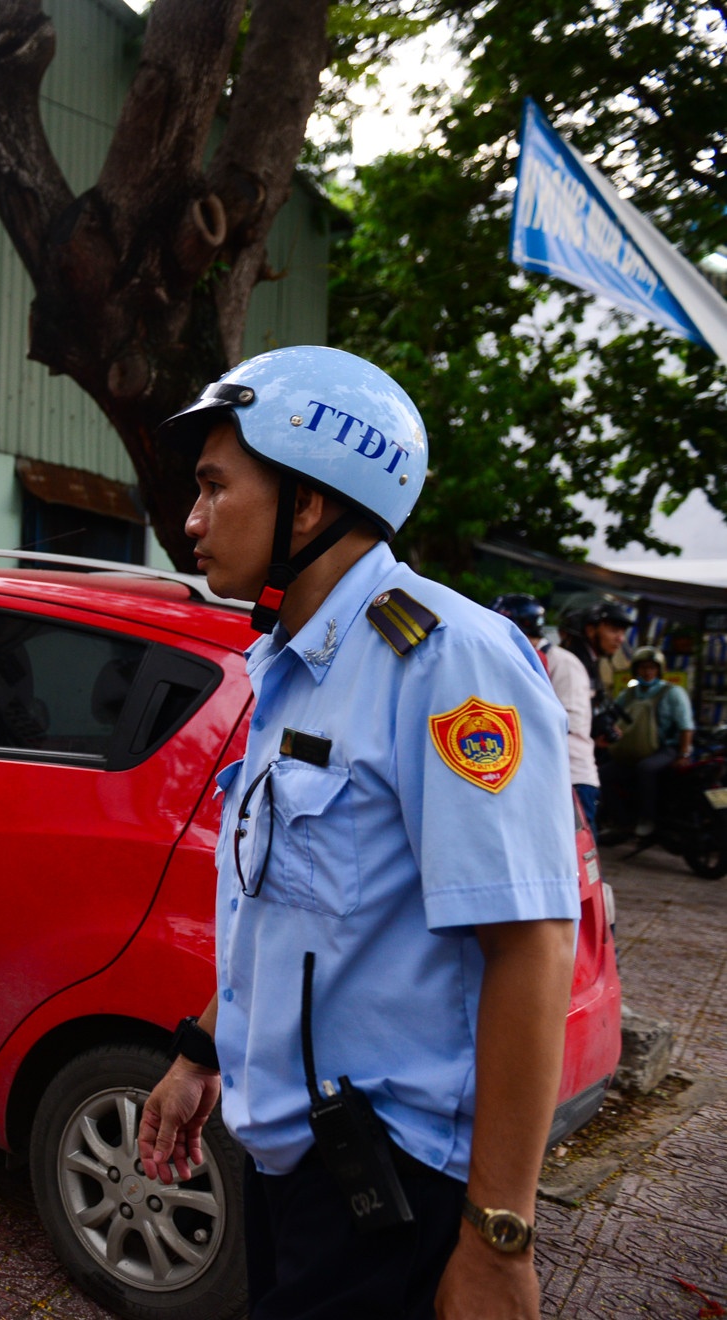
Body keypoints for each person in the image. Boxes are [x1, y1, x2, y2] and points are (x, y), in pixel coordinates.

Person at [137, 346, 577, 1320]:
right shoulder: (288, 664)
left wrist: (500, 1239)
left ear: (308, 502)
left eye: (215, 487)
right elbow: (290, 916)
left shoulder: (446, 661)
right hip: (290, 1165)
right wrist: (198, 1054)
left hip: (394, 1197)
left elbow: (533, 947)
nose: (191, 521)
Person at [493, 594, 599, 827]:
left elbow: (570, 723)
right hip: (540, 776)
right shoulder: (516, 658)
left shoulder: (562, 662)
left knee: (573, 860)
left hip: (571, 778)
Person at [611, 644, 694, 837]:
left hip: (666, 748)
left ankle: (647, 818)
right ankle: (621, 821)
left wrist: (683, 753)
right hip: (635, 748)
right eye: (643, 667)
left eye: (652, 668)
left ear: (659, 670)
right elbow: (614, 715)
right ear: (636, 669)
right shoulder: (629, 693)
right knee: (603, 774)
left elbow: (686, 727)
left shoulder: (673, 692)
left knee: (646, 769)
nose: (647, 672)